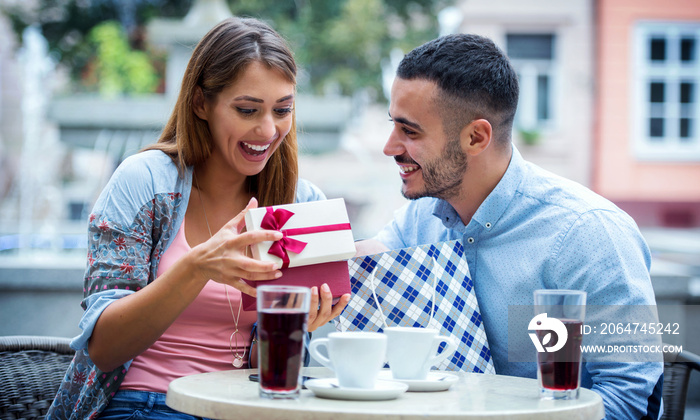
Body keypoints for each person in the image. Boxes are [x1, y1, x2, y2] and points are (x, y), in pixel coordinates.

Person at [47, 17, 349, 420]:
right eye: (247, 109)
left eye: (283, 110)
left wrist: (298, 323)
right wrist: (197, 266)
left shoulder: (300, 202)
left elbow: (271, 370)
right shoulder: (146, 182)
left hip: (244, 407)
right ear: (200, 103)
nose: (267, 129)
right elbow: (103, 349)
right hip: (146, 402)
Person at [363, 33, 663, 419]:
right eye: (393, 125)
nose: (390, 146)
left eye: (410, 131)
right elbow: (362, 262)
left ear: (476, 137)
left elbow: (631, 398)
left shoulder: (588, 234)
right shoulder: (420, 219)